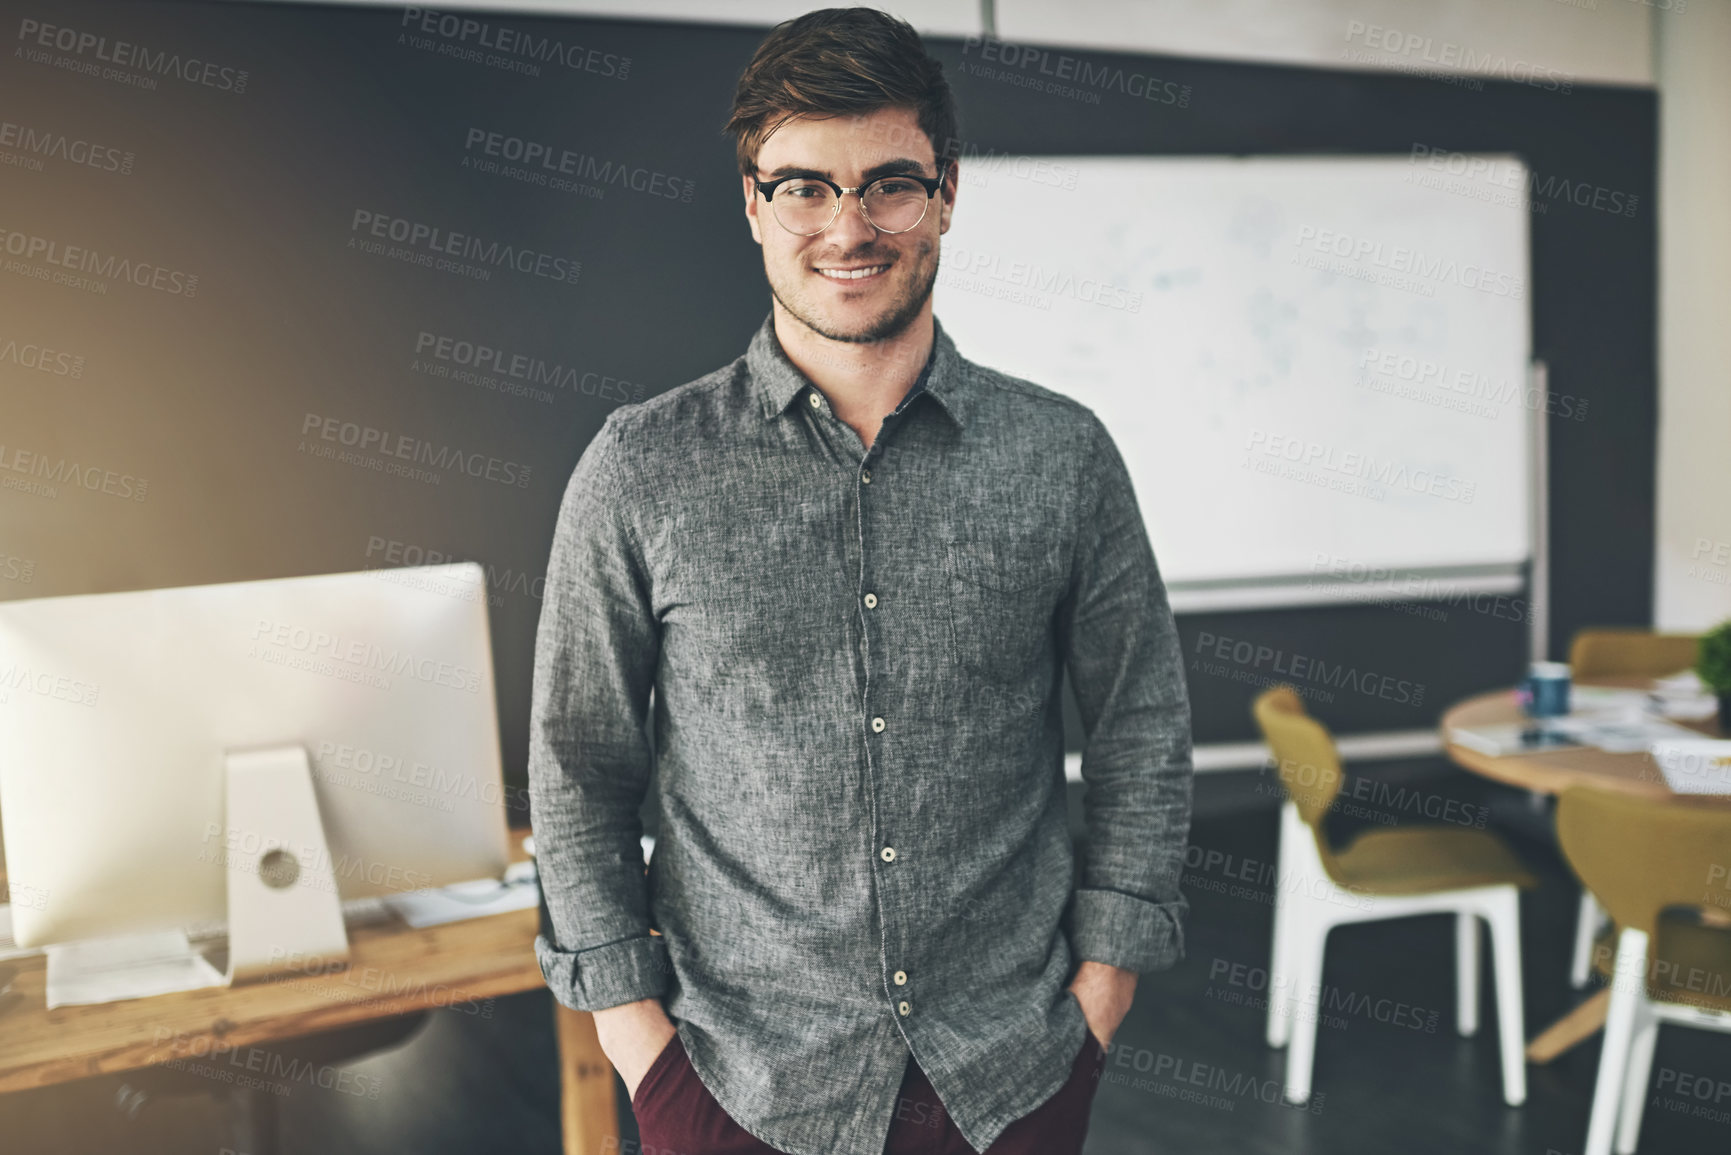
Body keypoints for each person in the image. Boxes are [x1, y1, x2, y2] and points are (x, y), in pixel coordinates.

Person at [527, 9, 1194, 1154]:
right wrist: (645, 1053)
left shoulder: (1061, 456)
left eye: (890, 183)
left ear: (944, 192)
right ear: (752, 201)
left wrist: (1101, 1001)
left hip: (1012, 1075)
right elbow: (578, 766)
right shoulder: (639, 468)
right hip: (738, 1086)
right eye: (804, 187)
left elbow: (1142, 725)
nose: (848, 225)